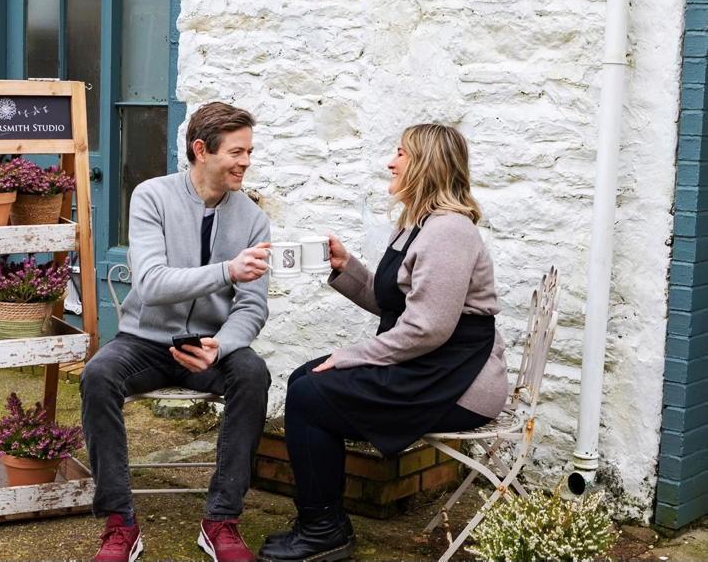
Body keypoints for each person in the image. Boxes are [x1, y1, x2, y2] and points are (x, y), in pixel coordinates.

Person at [258, 123, 509, 562]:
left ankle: (323, 530)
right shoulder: (416, 225)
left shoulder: (449, 231)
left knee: (309, 396)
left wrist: (351, 356)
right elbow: (392, 303)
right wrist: (346, 266)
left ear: (426, 165)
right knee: (303, 380)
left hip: (459, 380)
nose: (391, 163)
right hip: (431, 365)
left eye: (401, 154)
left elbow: (429, 327)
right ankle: (323, 522)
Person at [81, 101, 272, 562]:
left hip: (210, 345)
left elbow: (252, 306)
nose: (246, 162)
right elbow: (150, 283)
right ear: (201, 150)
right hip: (144, 342)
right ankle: (120, 523)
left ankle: (221, 520)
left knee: (253, 373)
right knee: (98, 376)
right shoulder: (152, 196)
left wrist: (220, 346)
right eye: (237, 152)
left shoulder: (253, 219)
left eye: (249, 152)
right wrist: (226, 270)